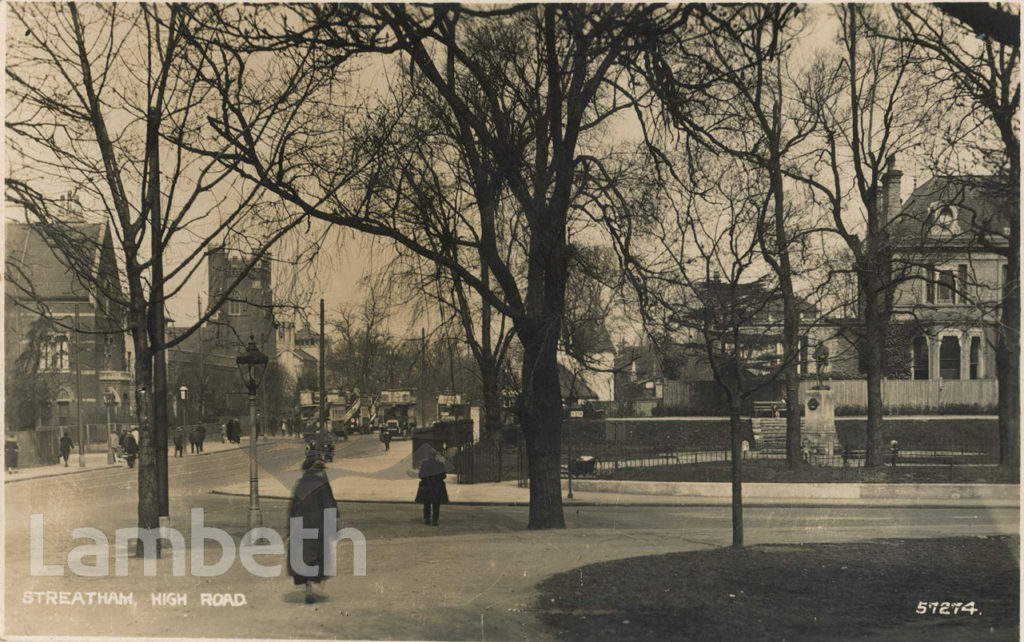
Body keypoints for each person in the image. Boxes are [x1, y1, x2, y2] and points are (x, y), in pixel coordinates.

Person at [288, 454, 338, 604]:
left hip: (301, 528)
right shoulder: (322, 484)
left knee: (304, 559)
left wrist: (290, 530)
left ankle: (309, 588)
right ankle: (315, 587)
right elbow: (329, 506)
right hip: (318, 528)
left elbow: (293, 509)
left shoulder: (300, 484)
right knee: (318, 558)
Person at [416, 447, 449, 526]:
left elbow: (421, 475)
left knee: (426, 503)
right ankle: (435, 519)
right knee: (436, 504)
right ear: (435, 456)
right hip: (437, 486)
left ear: (428, 456)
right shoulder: (440, 464)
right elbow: (444, 476)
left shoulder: (424, 464)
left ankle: (427, 518)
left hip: (427, 486)